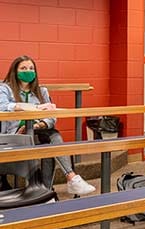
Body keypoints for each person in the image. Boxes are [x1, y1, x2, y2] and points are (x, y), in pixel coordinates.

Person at [0, 56, 95, 196]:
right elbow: (2, 106)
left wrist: (38, 125)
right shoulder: (5, 88)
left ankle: (52, 187)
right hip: (13, 135)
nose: (28, 71)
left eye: (31, 68)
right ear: (15, 71)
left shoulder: (41, 91)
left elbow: (51, 116)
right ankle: (61, 183)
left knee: (52, 139)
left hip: (36, 132)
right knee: (53, 141)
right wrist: (25, 107)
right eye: (23, 68)